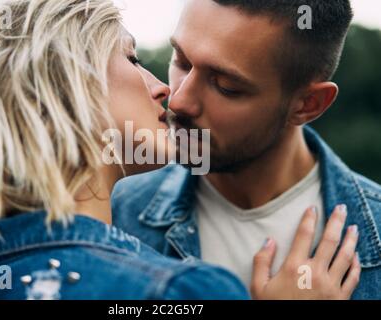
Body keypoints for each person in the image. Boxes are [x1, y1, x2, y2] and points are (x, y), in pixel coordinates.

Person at [0, 0, 360, 300]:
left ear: (309, 104)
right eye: (137, 60)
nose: (171, 95)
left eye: (227, 85)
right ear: (59, 88)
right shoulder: (181, 290)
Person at [112, 0, 381, 299]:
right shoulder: (117, 213)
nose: (178, 101)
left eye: (226, 86)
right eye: (182, 61)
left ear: (308, 104)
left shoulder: (375, 235)